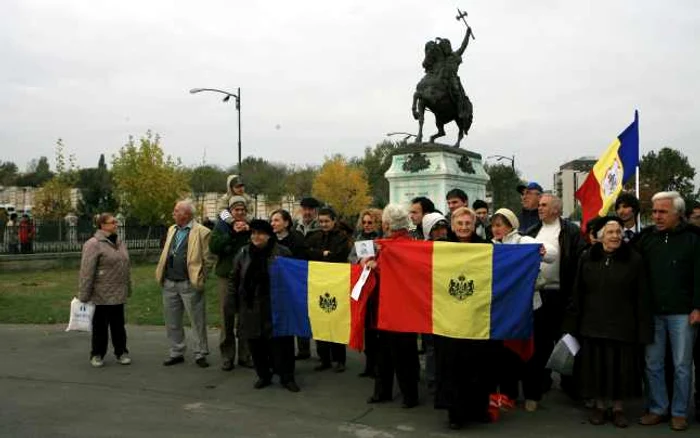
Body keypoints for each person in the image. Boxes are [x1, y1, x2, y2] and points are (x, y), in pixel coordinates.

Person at [565, 218, 650, 428]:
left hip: (623, 325)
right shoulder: (587, 257)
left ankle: (619, 408)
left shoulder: (634, 260)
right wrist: (572, 323)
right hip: (592, 323)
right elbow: (578, 291)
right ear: (601, 236)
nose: (615, 236)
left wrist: (642, 327)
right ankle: (600, 407)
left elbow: (642, 295)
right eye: (610, 232)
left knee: (621, 369)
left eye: (618, 232)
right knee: (596, 368)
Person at [636, 191, 700, 431]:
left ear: (678, 213)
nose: (657, 216)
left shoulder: (693, 239)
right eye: (654, 211)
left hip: (683, 314)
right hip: (652, 313)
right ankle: (657, 408)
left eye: (662, 212)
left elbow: (699, 275)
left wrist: (697, 307)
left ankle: (679, 412)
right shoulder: (646, 239)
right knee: (653, 363)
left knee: (682, 365)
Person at [489, 208, 557, 405]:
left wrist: (541, 251)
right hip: (504, 309)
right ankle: (508, 395)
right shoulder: (491, 247)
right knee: (507, 355)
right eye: (493, 225)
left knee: (530, 353)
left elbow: (552, 255)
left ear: (511, 226)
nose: (496, 229)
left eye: (500, 225)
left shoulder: (524, 242)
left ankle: (532, 395)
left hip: (530, 308)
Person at [524, 193, 584, 410]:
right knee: (540, 341)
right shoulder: (531, 231)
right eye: (539, 205)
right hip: (539, 294)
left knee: (567, 340)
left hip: (563, 294)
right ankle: (542, 381)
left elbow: (579, 264)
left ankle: (571, 383)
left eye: (544, 205)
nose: (539, 208)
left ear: (557, 210)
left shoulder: (572, 232)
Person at [439, 206, 492, 429]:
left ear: (474, 225)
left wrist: (533, 254)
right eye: (459, 224)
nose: (463, 228)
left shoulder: (486, 247)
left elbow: (508, 261)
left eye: (467, 224)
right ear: (452, 225)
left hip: (476, 316)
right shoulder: (441, 248)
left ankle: (478, 409)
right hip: (447, 318)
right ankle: (455, 414)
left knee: (477, 366)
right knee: (452, 368)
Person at [230, 219, 299, 392]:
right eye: (253, 233)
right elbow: (235, 279)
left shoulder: (282, 252)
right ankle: (263, 375)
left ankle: (287, 377)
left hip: (276, 305)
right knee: (256, 343)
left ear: (269, 235)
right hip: (251, 305)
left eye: (260, 233)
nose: (256, 236)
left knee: (281, 344)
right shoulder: (244, 253)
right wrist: (233, 303)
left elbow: (292, 279)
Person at [364, 204, 420, 409]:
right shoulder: (409, 244)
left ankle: (385, 392)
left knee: (388, 353)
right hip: (403, 307)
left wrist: (375, 266)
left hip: (390, 307)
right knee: (404, 352)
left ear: (387, 224)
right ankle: (408, 395)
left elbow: (389, 273)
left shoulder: (390, 247)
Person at [155, 200, 212, 368]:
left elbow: (209, 258)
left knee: (197, 319)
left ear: (186, 214)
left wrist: (201, 276)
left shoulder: (202, 232)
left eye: (176, 211)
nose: (173, 214)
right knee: (172, 320)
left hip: (189, 282)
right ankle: (176, 351)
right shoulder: (172, 229)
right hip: (169, 282)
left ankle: (200, 352)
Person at [78, 213, 132, 368]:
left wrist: (128, 286)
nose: (116, 224)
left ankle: (121, 352)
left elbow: (126, 266)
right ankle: (97, 354)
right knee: (100, 326)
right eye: (112, 222)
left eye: (116, 221)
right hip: (101, 293)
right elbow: (87, 271)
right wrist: (84, 294)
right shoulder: (93, 244)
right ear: (102, 225)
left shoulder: (120, 243)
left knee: (118, 326)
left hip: (118, 291)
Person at [209, 196, 252, 371]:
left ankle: (245, 355)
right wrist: (232, 234)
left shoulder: (251, 226)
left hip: (246, 277)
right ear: (231, 211)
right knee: (226, 316)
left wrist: (248, 231)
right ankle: (227, 355)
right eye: (236, 210)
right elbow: (214, 246)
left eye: (242, 210)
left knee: (245, 317)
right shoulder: (221, 226)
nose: (240, 213)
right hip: (227, 276)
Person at [306, 206, 351, 372]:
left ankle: (340, 359)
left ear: (334, 221)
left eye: (327, 221)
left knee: (336, 320)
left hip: (336, 283)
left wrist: (321, 254)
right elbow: (307, 252)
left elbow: (339, 255)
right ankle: (324, 358)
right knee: (320, 320)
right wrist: (323, 253)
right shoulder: (315, 236)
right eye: (321, 221)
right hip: (319, 283)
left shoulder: (341, 237)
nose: (324, 224)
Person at [350, 207, 382, 377]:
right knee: (367, 329)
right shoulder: (360, 238)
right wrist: (359, 261)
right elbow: (350, 258)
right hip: (363, 289)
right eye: (364, 222)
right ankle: (369, 365)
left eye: (370, 222)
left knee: (376, 329)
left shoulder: (382, 240)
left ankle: (377, 365)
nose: (367, 225)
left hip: (378, 289)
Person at [292, 197, 321, 360]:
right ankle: (303, 349)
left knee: (320, 311)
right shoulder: (295, 227)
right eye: (305, 209)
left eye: (311, 209)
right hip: (298, 274)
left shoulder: (321, 226)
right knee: (300, 311)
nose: (308, 212)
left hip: (317, 273)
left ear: (315, 211)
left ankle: (325, 352)